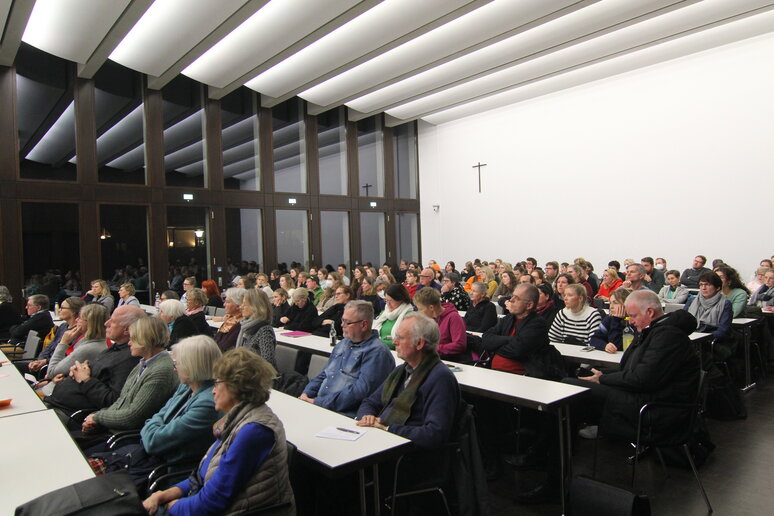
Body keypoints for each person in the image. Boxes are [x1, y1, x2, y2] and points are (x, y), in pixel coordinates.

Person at [142, 348, 295, 516]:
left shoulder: (254, 430)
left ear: (236, 386)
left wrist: (171, 508)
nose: (213, 390)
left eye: (217, 383)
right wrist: (165, 494)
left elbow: (213, 501)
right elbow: (203, 476)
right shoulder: (236, 419)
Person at [88, 335, 222, 490]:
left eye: (177, 363)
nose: (174, 367)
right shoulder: (186, 387)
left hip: (163, 471)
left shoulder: (207, 403)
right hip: (146, 458)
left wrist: (154, 427)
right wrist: (155, 426)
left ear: (192, 366)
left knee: (94, 487)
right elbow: (158, 417)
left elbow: (153, 442)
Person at [568, 290, 700, 445]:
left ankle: (568, 447)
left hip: (656, 407)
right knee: (578, 375)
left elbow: (642, 378)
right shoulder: (653, 331)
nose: (630, 321)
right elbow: (632, 369)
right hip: (644, 394)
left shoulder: (667, 336)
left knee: (571, 387)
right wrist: (603, 374)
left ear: (650, 312)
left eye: (633, 315)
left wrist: (603, 378)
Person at [357, 312, 460, 451]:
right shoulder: (401, 371)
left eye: (400, 337)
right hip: (381, 440)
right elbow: (370, 402)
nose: (394, 342)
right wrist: (367, 417)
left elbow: (435, 434)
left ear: (419, 343)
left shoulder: (440, 378)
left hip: (406, 455)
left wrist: (388, 428)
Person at [43, 306, 147, 422]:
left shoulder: (130, 357)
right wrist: (77, 371)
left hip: (67, 414)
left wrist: (85, 380)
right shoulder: (115, 348)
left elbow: (113, 401)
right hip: (55, 403)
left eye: (112, 321)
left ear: (126, 330)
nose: (106, 323)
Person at [80, 316, 178, 437]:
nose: (129, 342)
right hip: (110, 430)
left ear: (146, 339)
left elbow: (132, 417)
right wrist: (94, 419)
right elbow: (120, 403)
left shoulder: (161, 371)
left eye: (133, 339)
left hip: (121, 437)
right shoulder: (143, 364)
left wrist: (98, 417)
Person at [300, 300, 395, 417]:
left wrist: (318, 402)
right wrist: (306, 393)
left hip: (342, 414)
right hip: (320, 405)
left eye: (347, 322)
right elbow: (324, 374)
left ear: (364, 325)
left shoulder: (377, 353)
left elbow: (360, 392)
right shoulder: (343, 344)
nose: (342, 325)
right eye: (342, 320)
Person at [482, 284, 563, 378]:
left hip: (522, 377)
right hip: (495, 373)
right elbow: (485, 339)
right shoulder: (508, 319)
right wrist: (510, 339)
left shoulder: (537, 324)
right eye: (512, 296)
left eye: (516, 298)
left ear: (529, 305)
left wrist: (494, 347)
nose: (511, 300)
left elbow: (517, 350)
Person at [18, 296, 85, 377]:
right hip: (44, 363)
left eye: (62, 308)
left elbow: (67, 356)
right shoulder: (63, 326)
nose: (59, 310)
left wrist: (45, 361)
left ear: (73, 312)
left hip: (54, 368)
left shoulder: (77, 332)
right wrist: (40, 360)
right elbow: (50, 346)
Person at [46, 303, 109, 379]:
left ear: (90, 322)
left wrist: (63, 343)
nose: (76, 320)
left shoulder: (89, 348)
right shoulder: (89, 341)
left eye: (80, 318)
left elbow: (51, 372)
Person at [684, 272, 733, 358]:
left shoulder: (725, 304)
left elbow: (723, 331)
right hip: (692, 337)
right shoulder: (692, 300)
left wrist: (703, 337)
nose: (703, 288)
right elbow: (682, 320)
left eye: (707, 285)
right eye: (701, 285)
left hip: (712, 341)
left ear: (717, 287)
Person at [414, 287, 468, 362]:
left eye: (420, 309)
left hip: (447, 360)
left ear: (431, 307)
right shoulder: (427, 318)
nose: (419, 312)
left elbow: (459, 345)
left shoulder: (453, 317)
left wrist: (434, 348)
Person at [236, 289, 277, 368]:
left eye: (245, 304)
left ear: (255, 307)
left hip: (258, 377)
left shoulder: (264, 331)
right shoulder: (247, 327)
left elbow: (268, 363)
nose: (241, 307)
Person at [589, 288, 632, 353]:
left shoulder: (633, 322)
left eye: (615, 303)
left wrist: (616, 320)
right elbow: (594, 339)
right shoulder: (609, 319)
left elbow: (617, 345)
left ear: (626, 304)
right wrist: (605, 346)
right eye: (610, 303)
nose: (611, 307)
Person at [372, 284, 414, 349]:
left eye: (391, 301)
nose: (388, 304)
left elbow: (404, 342)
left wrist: (377, 343)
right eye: (386, 300)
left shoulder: (409, 316)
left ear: (401, 299)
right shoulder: (384, 313)